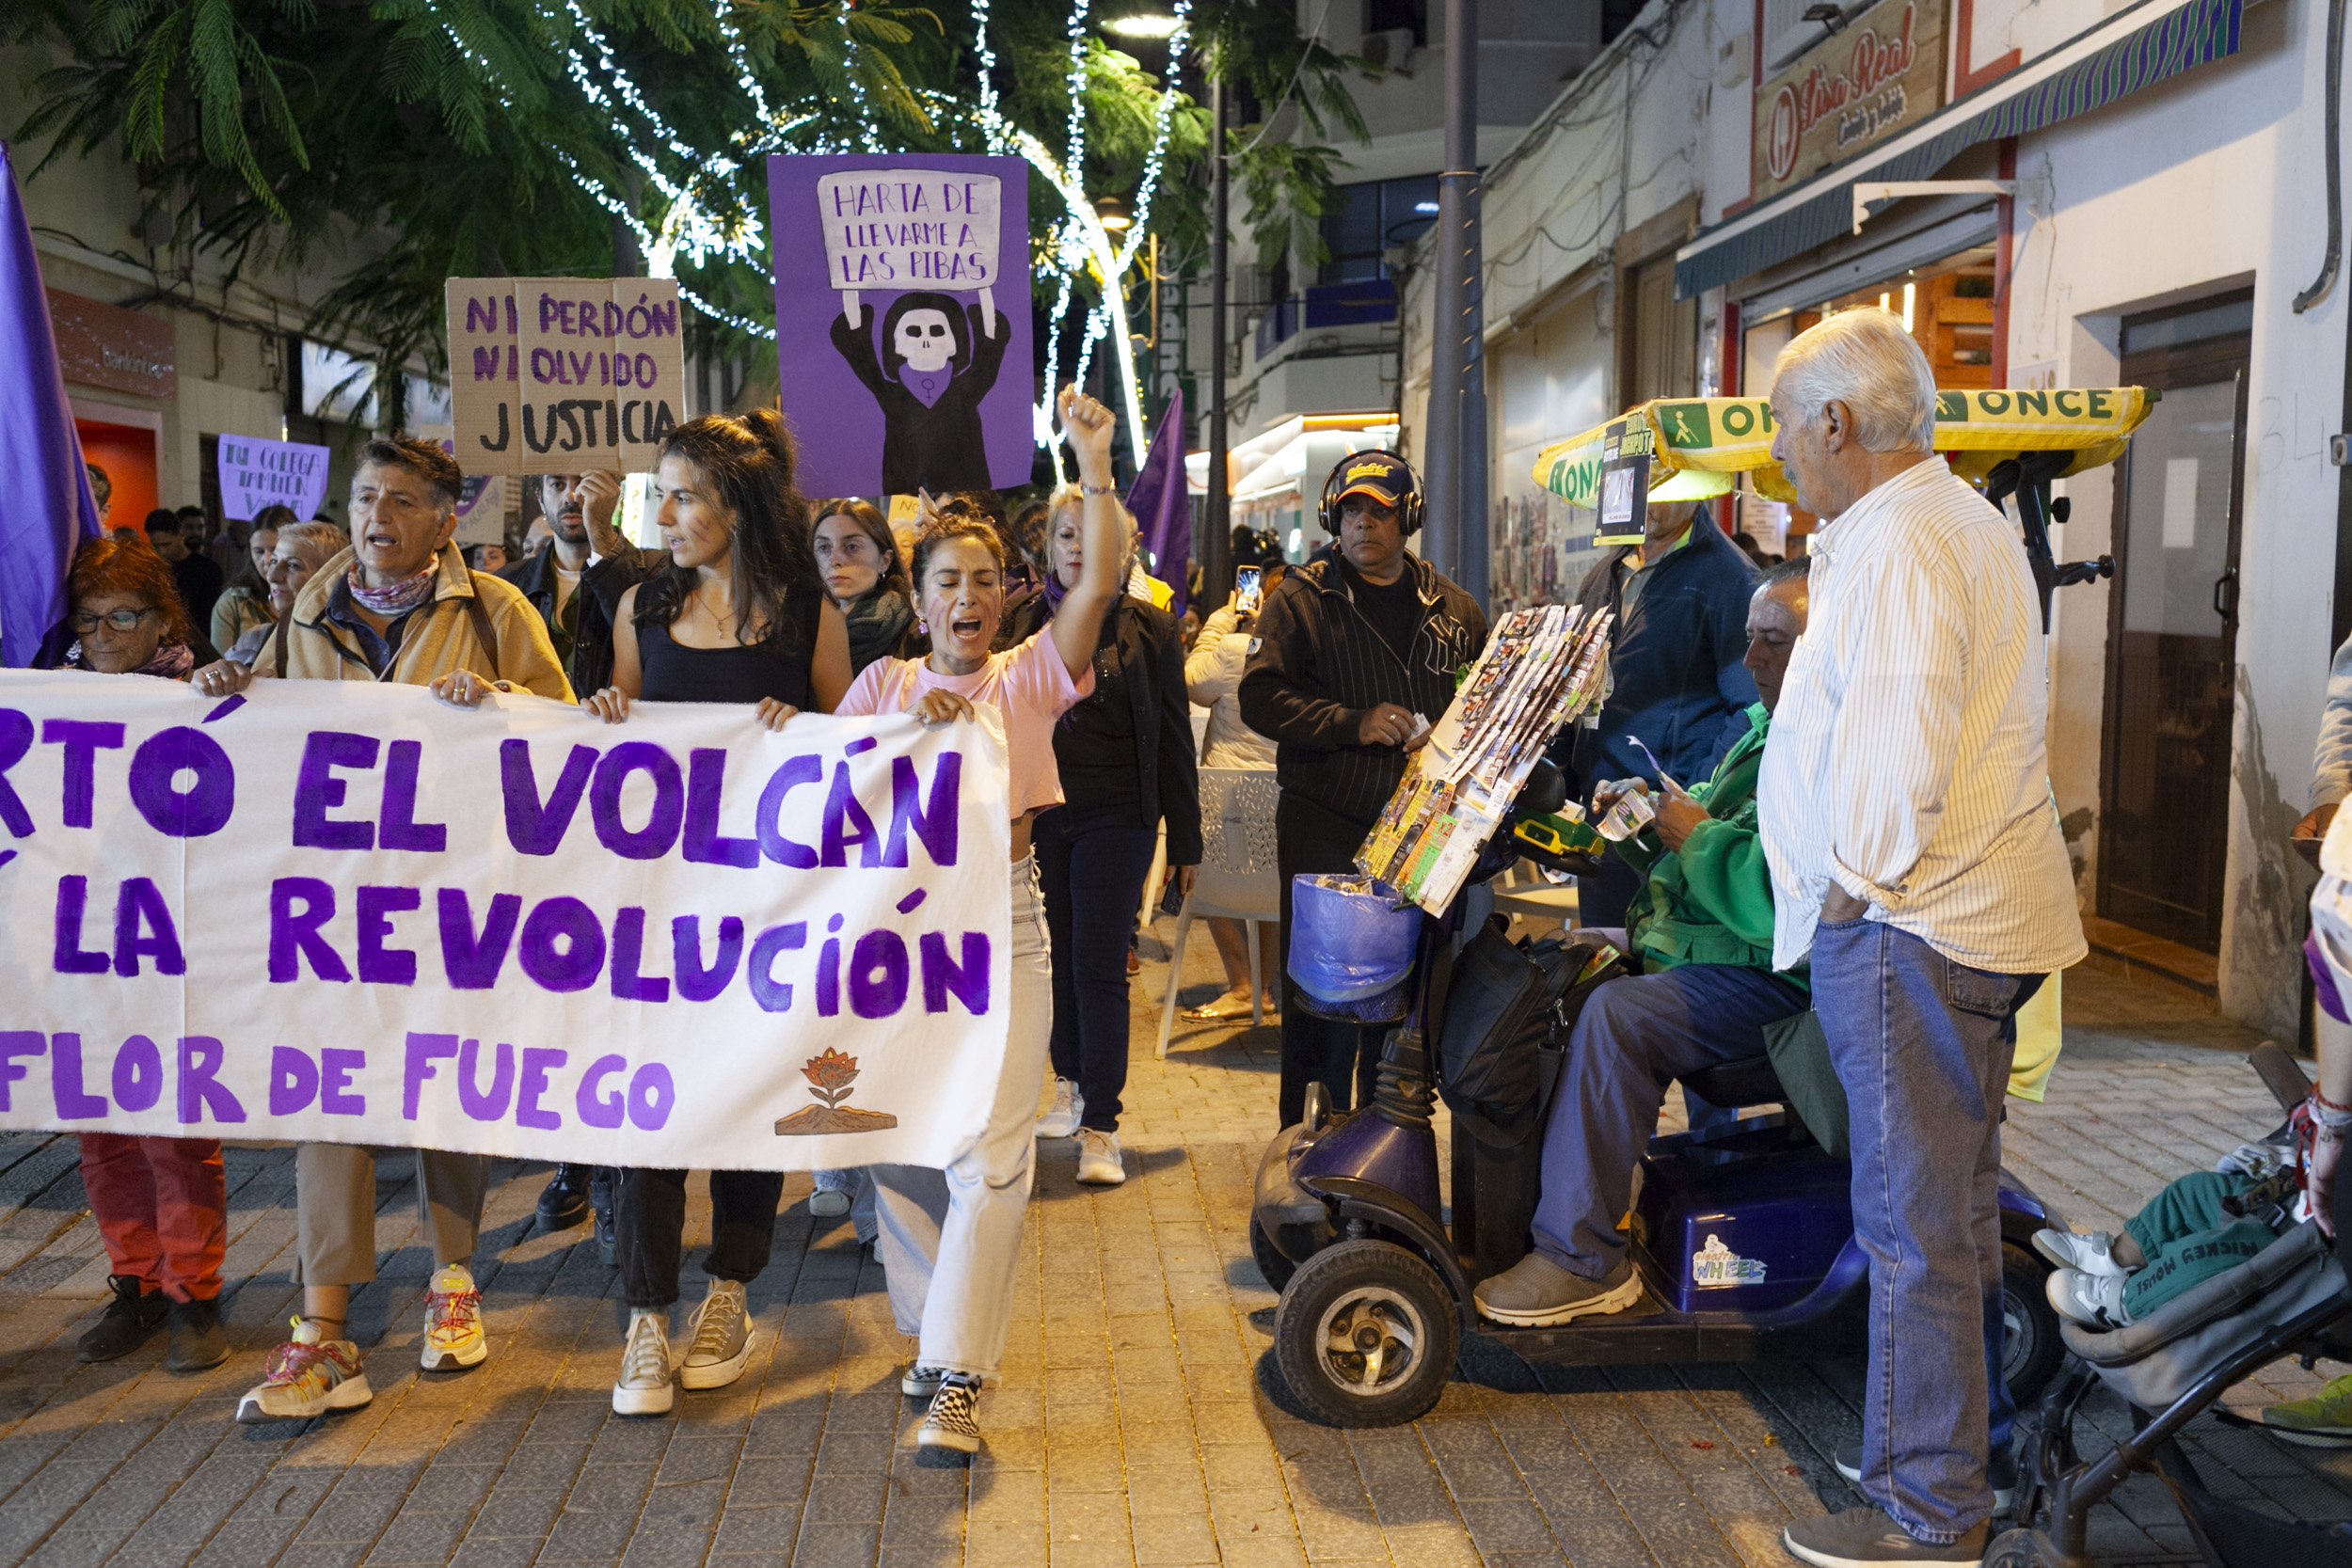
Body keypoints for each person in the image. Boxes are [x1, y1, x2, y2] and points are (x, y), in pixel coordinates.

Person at [1756, 309, 2084, 1568]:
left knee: (1915, 1224)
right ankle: (1939, 1460)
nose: (1785, 452)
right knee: (1942, 1212)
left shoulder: (1901, 543)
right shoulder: (1943, 523)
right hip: (1945, 925)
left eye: (1789, 426)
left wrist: (1848, 891)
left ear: (1835, 421)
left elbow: (1892, 766)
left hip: (1909, 926)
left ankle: (1930, 1510)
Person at [192, 436, 572, 1424]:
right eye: (367, 497)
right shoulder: (305, 609)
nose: (379, 516)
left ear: (445, 519)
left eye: (402, 500)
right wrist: (226, 691)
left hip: (454, 899)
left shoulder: (494, 610)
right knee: (334, 1093)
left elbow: (567, 731)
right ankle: (321, 1330)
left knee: (442, 1081)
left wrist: (501, 702)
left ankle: (452, 1277)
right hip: (337, 907)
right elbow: (264, 724)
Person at [833, 385, 1127, 1458]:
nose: (967, 594)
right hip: (893, 939)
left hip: (1004, 927)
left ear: (1007, 596)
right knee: (902, 1149)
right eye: (945, 579)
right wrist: (885, 727)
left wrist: (1092, 462)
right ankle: (929, 1334)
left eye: (984, 579)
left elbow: (1097, 577)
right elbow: (814, 807)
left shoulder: (1031, 678)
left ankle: (959, 1372)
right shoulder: (878, 683)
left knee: (995, 1159)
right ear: (919, 603)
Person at [581, 410, 853, 1417]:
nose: (665, 511)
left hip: (766, 911)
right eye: (660, 493)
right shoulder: (640, 609)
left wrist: (811, 732)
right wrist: (609, 713)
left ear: (737, 508)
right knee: (645, 1105)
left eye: (685, 492)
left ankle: (730, 1288)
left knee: (746, 1100)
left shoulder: (804, 616)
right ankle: (646, 1316)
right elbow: (617, 727)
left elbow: (853, 748)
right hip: (657, 914)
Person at [1474, 559, 1811, 1326]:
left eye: (1774, 643)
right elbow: (1709, 851)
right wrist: (1641, 828)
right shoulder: (1767, 730)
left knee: (1618, 1016)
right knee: (1562, 974)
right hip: (1720, 949)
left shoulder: (1822, 747)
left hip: (1778, 976)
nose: (1752, 659)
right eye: (1752, 640)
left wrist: (1694, 838)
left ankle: (1581, 1257)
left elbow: (1776, 904)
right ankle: (1556, 1205)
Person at [1238, 451, 1488, 1128]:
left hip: (1422, 837)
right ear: (1332, 516)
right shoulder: (1301, 597)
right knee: (1321, 1009)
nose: (1362, 524)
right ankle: (1308, 1154)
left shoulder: (1456, 609)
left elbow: (1481, 709)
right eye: (1351, 509)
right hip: (1327, 827)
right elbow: (1260, 698)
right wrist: (1352, 723)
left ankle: (1388, 1157)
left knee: (1404, 1010)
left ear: (1408, 517)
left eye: (1378, 510)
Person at [53, 536, 231, 1373]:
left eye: (124, 616)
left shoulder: (205, 693)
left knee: (173, 1128)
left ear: (163, 619)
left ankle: (195, 1291)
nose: (105, 636)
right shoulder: (47, 701)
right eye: (90, 620)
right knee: (101, 1129)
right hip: (82, 942)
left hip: (171, 945)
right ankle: (137, 1282)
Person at [503, 469, 669, 1247]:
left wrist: (607, 538)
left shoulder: (648, 579)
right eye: (560, 486)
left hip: (625, 809)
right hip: (534, 813)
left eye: (590, 484)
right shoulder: (500, 594)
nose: (575, 497)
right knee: (553, 988)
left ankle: (611, 1173)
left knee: (615, 987)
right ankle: (572, 1157)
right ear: (537, 499)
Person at [1029, 485, 1203, 1185]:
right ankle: (1069, 1084)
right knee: (1055, 961)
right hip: (1042, 815)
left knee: (1099, 962)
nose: (1079, 548)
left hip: (1120, 815)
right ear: (1048, 547)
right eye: (1066, 536)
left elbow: (1171, 741)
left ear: (1125, 550)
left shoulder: (1152, 629)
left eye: (1094, 536)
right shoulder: (1021, 621)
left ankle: (1102, 1124)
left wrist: (1185, 840)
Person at [1557, 487, 1760, 929]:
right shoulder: (1602, 576)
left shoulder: (1728, 577)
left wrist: (1692, 798)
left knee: (1662, 971)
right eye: (1636, 483)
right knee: (1603, 963)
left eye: (1663, 484)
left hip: (1672, 829)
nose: (1646, 497)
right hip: (1603, 816)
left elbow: (1751, 711)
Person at [805, 497, 918, 1225]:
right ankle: (829, 1161)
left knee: (881, 1008)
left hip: (891, 841)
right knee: (820, 1001)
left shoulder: (917, 636)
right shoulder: (794, 633)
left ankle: (884, 1198)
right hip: (818, 842)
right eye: (821, 547)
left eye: (853, 545)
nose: (836, 559)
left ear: (885, 558)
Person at [1181, 560, 1287, 1022]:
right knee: (1275, 884)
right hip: (1287, 816)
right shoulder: (1313, 651)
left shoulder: (1236, 648)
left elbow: (1192, 684)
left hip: (1227, 812)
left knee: (1192, 877)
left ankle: (1244, 986)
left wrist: (1219, 624)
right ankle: (1264, 985)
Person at [223, 521, 347, 666]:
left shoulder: (357, 648)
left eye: (293, 565)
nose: (272, 577)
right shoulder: (254, 642)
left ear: (329, 576)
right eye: (274, 561)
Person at [211, 503, 294, 653]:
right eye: (259, 551)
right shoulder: (233, 603)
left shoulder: (310, 596)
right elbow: (219, 663)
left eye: (275, 550)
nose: (267, 560)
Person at [142, 507, 227, 634]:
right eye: (156, 546)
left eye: (166, 544)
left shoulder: (207, 570)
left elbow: (209, 617)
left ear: (181, 535)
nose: (161, 552)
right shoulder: (152, 569)